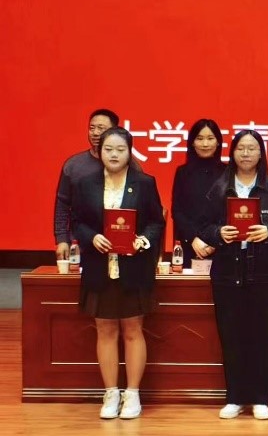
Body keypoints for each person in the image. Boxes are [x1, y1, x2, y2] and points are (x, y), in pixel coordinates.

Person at [200, 129, 268, 420]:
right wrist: (219, 233)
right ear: (232, 152)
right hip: (227, 272)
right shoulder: (218, 189)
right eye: (241, 148)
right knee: (231, 335)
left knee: (262, 336)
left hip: (264, 272)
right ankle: (235, 397)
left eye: (252, 148)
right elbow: (202, 226)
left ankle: (261, 398)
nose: (246, 153)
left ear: (261, 153)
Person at [71, 127, 164, 420]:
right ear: (99, 151)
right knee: (105, 330)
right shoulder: (85, 183)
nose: (114, 154)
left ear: (129, 152)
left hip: (133, 267)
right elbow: (77, 222)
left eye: (120, 149)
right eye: (108, 149)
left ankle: (132, 394)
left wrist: (143, 240)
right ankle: (111, 392)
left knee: (133, 330)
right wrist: (91, 238)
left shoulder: (144, 183)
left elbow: (156, 221)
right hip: (100, 266)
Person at [55, 109, 119, 261]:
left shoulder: (128, 166)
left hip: (117, 244)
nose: (95, 133)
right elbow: (62, 204)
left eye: (101, 128)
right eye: (92, 128)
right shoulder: (74, 165)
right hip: (79, 244)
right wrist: (61, 239)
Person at [171, 119, 224, 262]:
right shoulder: (182, 172)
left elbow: (228, 212)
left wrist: (214, 240)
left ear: (218, 142)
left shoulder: (228, 172)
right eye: (199, 138)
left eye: (210, 138)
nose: (205, 144)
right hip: (189, 243)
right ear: (192, 143)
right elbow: (177, 210)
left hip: (221, 245)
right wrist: (193, 237)